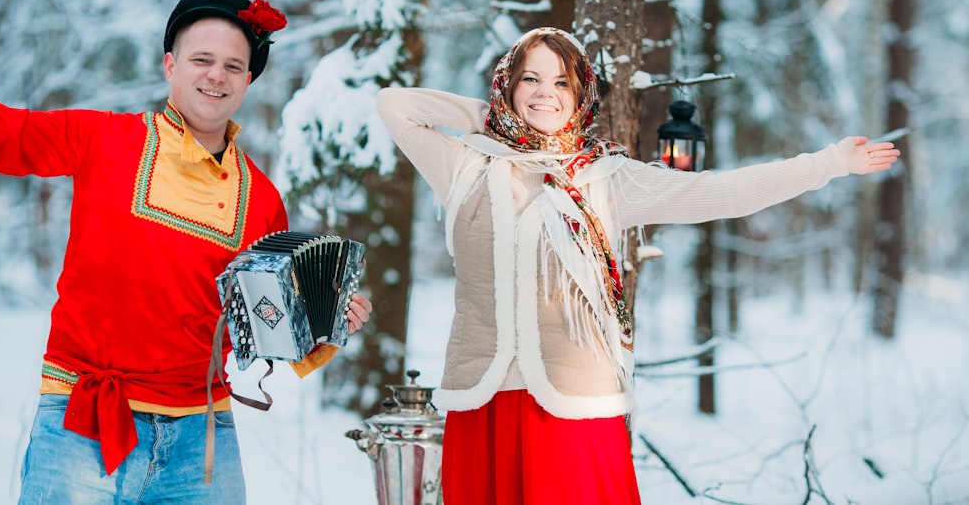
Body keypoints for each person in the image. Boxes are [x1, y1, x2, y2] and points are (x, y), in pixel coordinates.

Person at [375, 26, 900, 505]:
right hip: (481, 397)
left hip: (571, 404)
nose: (544, 93)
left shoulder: (607, 177)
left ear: (582, 94)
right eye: (529, 79)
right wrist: (493, 119)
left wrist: (829, 164)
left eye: (561, 83)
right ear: (506, 86)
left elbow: (721, 193)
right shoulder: (465, 166)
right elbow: (394, 104)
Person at [0, 0, 372, 503]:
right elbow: (2, 133)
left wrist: (332, 318)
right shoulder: (101, 138)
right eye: (202, 60)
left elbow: (269, 321)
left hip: (202, 438)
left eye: (233, 66)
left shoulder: (263, 199)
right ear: (170, 65)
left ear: (248, 80)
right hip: (84, 419)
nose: (216, 76)